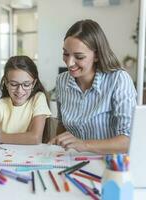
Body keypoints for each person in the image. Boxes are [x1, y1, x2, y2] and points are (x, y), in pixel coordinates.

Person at [49, 19, 137, 154]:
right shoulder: (62, 81)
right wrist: (58, 145)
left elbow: (128, 140)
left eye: (79, 56)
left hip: (108, 164)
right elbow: (62, 125)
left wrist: (85, 145)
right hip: (72, 161)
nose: (70, 63)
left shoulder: (118, 80)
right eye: (66, 54)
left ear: (96, 55)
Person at [0, 55, 51, 158]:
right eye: (14, 84)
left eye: (26, 84)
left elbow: (35, 137)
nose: (20, 90)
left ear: (33, 83)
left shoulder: (38, 98)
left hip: (32, 158)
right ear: (6, 83)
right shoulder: (1, 105)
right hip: (6, 159)